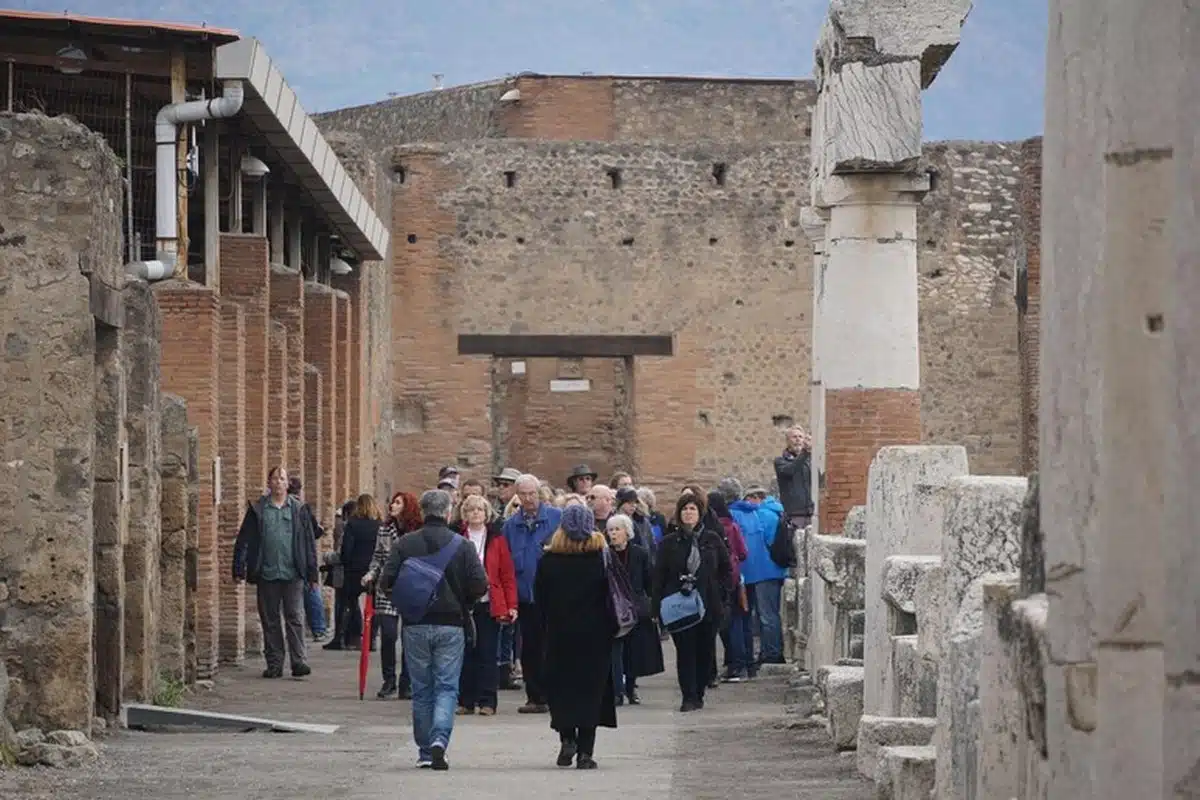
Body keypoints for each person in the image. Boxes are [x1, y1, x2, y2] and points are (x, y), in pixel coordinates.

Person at [381, 490, 488, 772]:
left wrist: (407, 598)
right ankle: (440, 739)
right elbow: (480, 584)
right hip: (451, 624)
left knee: (421, 688)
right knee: (446, 686)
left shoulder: (405, 543)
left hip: (416, 623)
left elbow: (385, 581)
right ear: (448, 511)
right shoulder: (462, 545)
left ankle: (425, 751)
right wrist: (465, 601)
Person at [534, 504, 617, 769]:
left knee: (563, 688)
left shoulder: (549, 561)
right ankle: (586, 752)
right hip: (596, 635)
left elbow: (540, 601)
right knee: (592, 690)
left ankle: (567, 738)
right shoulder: (601, 559)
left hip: (560, 633)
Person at [232, 465, 319, 679]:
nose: (279, 482)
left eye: (282, 478)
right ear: (269, 483)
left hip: (292, 573)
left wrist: (312, 574)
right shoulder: (258, 510)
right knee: (270, 619)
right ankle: (274, 663)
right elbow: (244, 539)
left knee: (295, 617)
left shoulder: (299, 510)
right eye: (275, 478)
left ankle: (299, 661)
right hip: (267, 572)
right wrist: (239, 566)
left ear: (288, 484)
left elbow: (308, 543)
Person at [654, 492, 732, 712]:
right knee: (685, 650)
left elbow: (726, 568)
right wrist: (657, 606)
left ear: (700, 513)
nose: (689, 513)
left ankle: (699, 692)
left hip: (708, 602)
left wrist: (723, 593)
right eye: (685, 509)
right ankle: (688, 696)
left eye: (693, 509)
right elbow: (659, 574)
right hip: (679, 603)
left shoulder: (712, 539)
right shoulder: (670, 542)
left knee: (705, 650)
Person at [502, 473, 562, 714]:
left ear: (539, 493)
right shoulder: (510, 526)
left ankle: (555, 693)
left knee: (553, 645)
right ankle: (535, 696)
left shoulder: (557, 518)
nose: (528, 499)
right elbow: (505, 563)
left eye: (532, 493)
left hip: (553, 595)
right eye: (523, 494)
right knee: (529, 648)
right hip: (525, 595)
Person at [456, 494, 518, 716]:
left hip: (490, 602)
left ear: (486, 514)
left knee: (488, 653)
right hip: (464, 603)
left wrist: (512, 604)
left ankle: (488, 701)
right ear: (465, 514)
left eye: (480, 510)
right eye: (471, 509)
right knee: (465, 654)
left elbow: (507, 574)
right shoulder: (458, 537)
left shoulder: (497, 540)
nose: (475, 513)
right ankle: (465, 700)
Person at [363, 491, 421, 699]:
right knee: (388, 634)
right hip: (387, 587)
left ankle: (407, 681)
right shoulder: (384, 530)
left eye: (398, 503)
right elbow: (378, 557)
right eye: (392, 502)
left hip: (411, 588)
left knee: (410, 637)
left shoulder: (417, 532)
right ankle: (389, 680)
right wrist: (371, 574)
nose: (392, 505)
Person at [605, 514, 663, 705]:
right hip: (613, 607)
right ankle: (617, 691)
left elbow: (650, 581)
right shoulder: (605, 555)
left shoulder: (639, 554)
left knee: (633, 650)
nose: (614, 534)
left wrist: (653, 607)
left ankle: (631, 687)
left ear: (626, 532)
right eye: (611, 530)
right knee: (615, 650)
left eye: (617, 530)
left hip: (636, 607)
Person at [331, 494, 381, 650]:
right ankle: (371, 639)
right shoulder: (380, 525)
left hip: (354, 569)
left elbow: (347, 549)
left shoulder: (353, 524)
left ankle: (341, 637)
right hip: (374, 569)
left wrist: (346, 563)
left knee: (348, 602)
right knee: (375, 605)